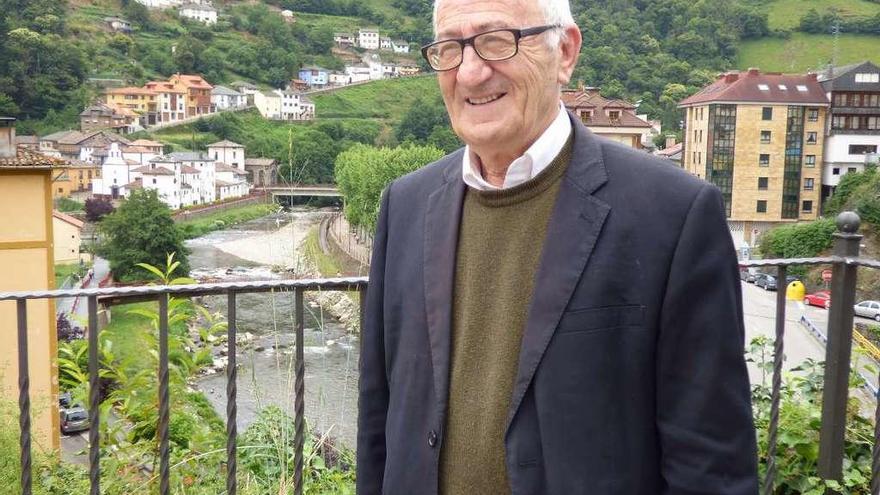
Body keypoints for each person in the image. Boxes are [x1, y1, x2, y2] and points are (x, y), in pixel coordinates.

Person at [357, 0, 758, 493]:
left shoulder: (673, 214)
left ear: (565, 51)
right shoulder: (405, 204)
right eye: (449, 48)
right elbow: (379, 415)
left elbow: (710, 464)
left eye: (497, 41)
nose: (471, 73)